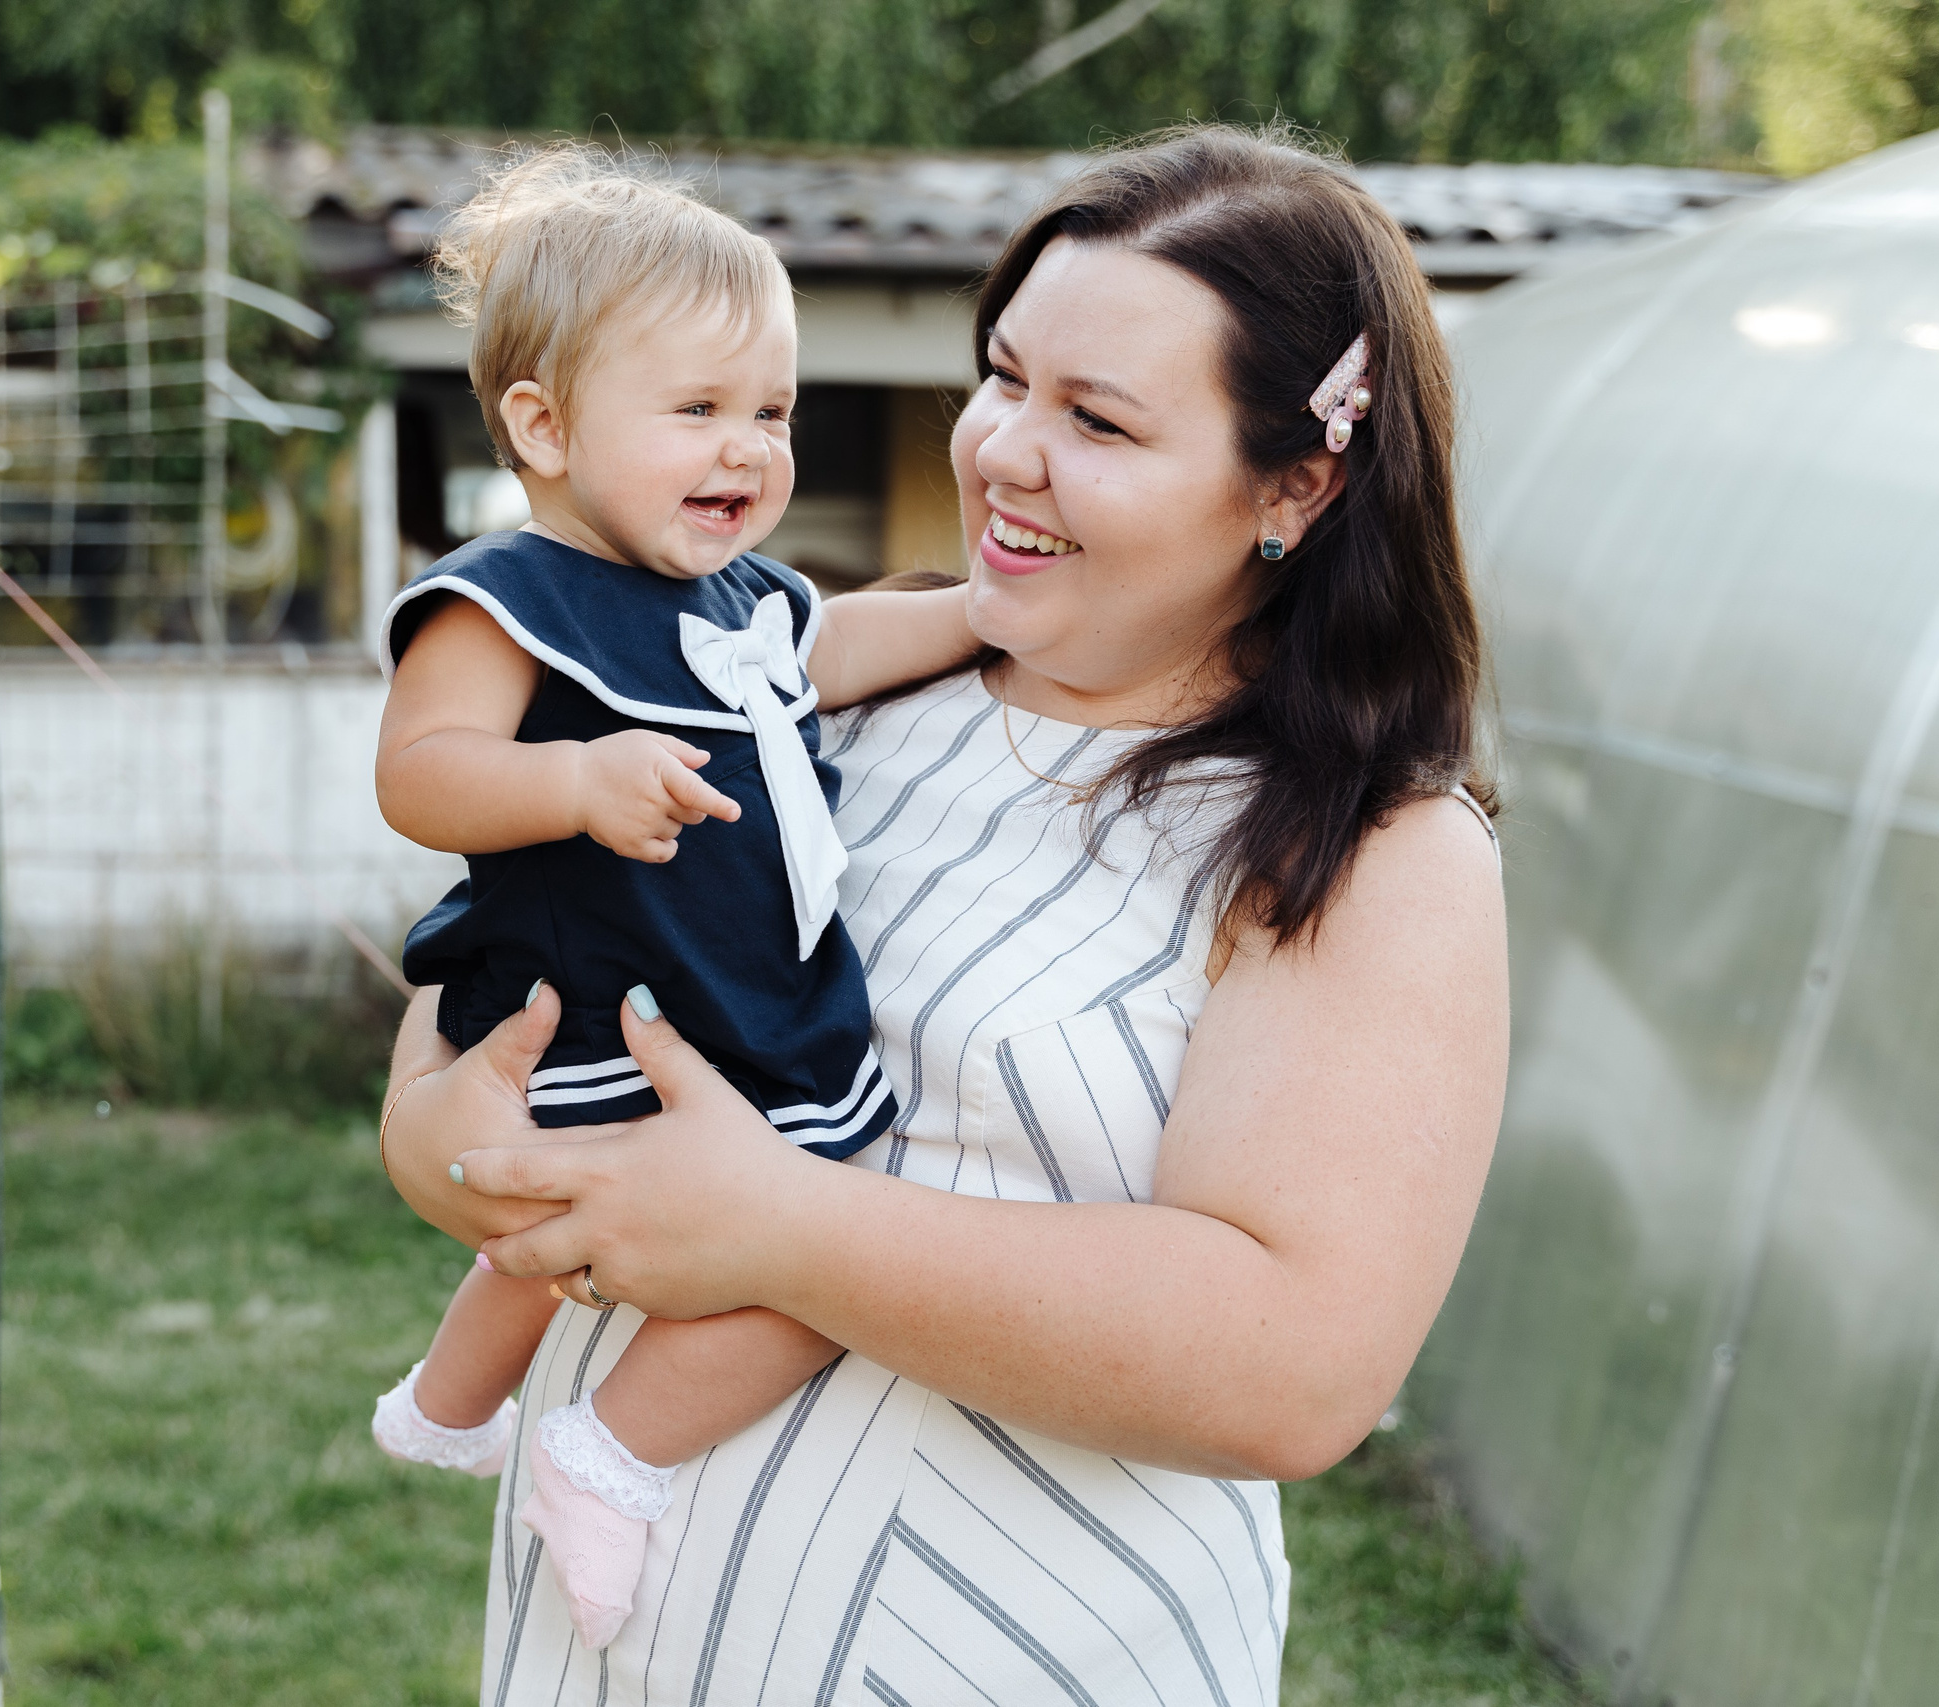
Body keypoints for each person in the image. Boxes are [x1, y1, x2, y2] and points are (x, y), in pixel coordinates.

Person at [379, 123, 1510, 1704]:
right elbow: (504, 980)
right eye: (1005, 377)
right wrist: (448, 1146)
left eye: (1098, 419)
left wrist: (781, 1224)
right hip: (612, 1658)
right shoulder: (832, 688)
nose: (1003, 450)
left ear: (1298, 484)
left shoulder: (1368, 846)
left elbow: (1296, 1368)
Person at [365, 146, 980, 1650]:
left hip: (729, 992)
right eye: (698, 410)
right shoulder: (511, 595)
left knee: (567, 1223)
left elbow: (825, 665)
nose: (749, 449)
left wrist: (980, 615)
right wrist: (570, 786)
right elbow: (422, 772)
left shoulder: (749, 601)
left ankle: (451, 1408)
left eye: (771, 411)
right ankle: (610, 1453)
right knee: (816, 1245)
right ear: (545, 425)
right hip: (610, 987)